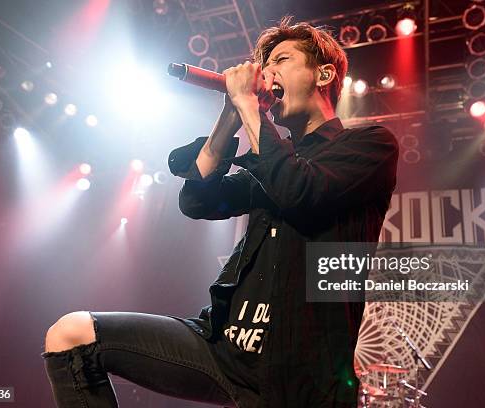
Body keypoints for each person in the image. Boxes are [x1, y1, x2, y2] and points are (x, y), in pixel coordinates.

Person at [41, 17, 398, 408]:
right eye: (264, 65)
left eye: (281, 60)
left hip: (302, 373)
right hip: (222, 347)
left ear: (324, 74)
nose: (267, 72)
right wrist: (231, 114)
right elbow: (198, 201)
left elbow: (299, 190)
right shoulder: (276, 158)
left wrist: (249, 106)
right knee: (71, 335)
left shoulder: (370, 145)